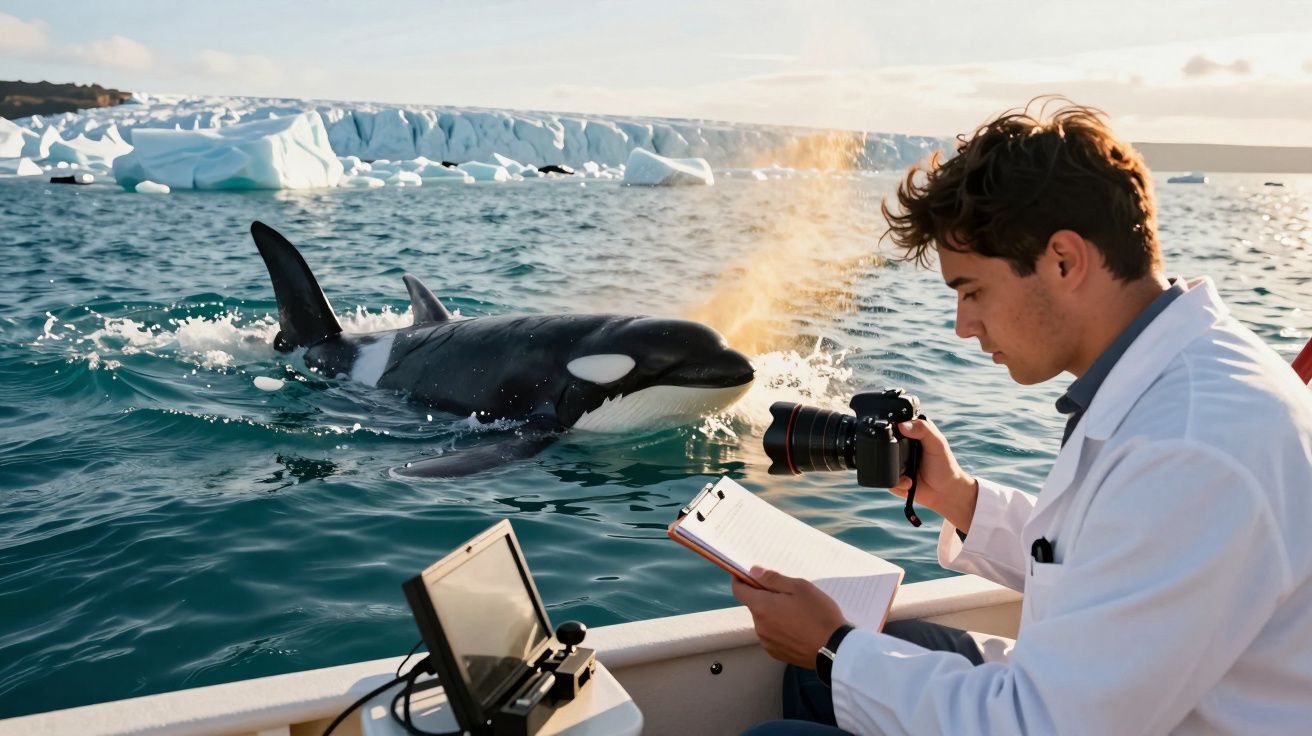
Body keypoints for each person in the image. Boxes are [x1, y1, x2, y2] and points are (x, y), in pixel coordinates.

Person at [733, 100, 1312, 735]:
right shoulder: (1177, 378)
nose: (962, 327)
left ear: (1064, 260)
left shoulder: (1194, 445)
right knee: (820, 678)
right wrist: (958, 498)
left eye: (972, 291)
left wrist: (833, 648)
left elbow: (1042, 726)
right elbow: (1105, 560)